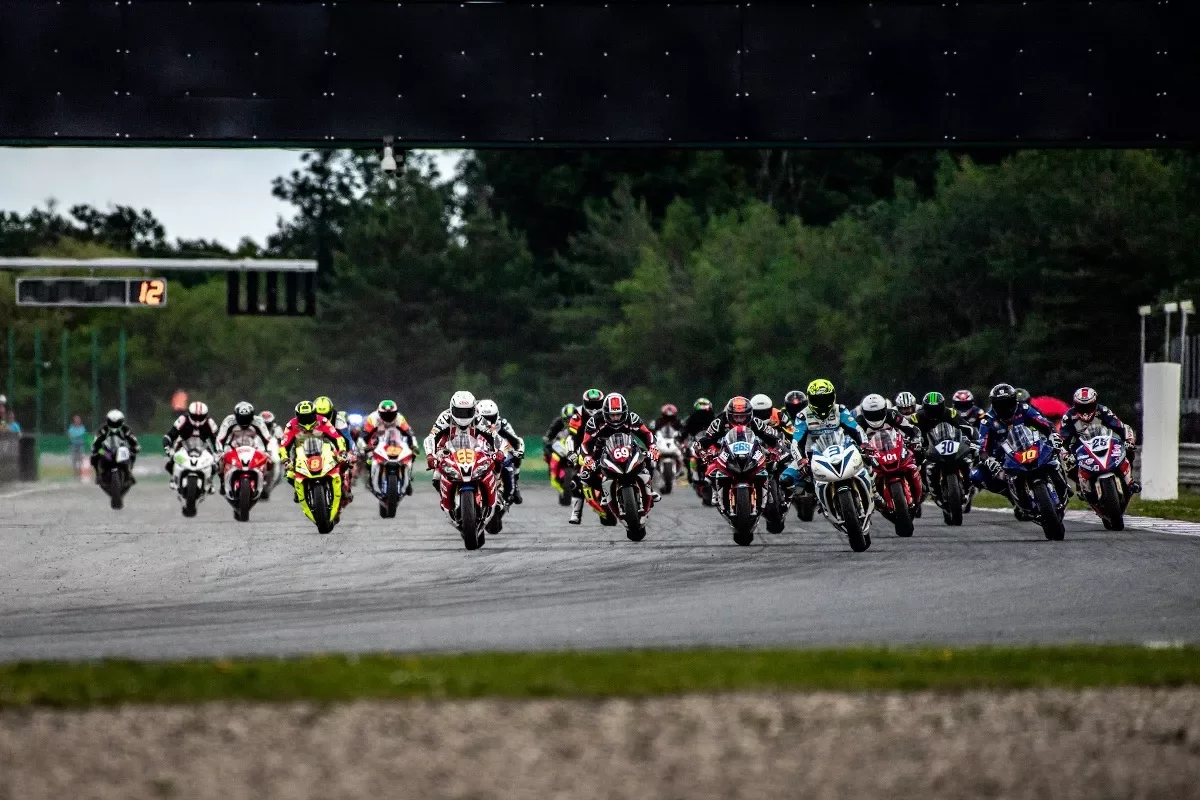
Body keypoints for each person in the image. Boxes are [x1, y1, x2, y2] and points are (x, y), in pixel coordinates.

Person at [572, 392, 658, 524]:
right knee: (585, 476)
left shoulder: (632, 418)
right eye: (612, 415)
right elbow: (586, 444)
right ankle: (604, 493)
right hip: (601, 451)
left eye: (619, 414)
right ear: (605, 413)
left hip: (630, 447)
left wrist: (652, 447)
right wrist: (588, 459)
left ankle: (649, 488)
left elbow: (647, 434)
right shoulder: (594, 421)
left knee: (651, 460)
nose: (616, 418)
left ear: (625, 412)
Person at [971, 383, 1059, 507]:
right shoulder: (988, 419)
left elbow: (1045, 423)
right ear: (994, 405)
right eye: (1000, 404)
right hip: (1004, 456)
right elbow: (983, 448)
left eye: (1008, 403)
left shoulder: (1024, 408)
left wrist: (1053, 435)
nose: (1005, 408)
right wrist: (990, 461)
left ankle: (1061, 483)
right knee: (976, 475)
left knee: (1055, 453)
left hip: (1030, 445)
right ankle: (1010, 493)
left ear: (1014, 400)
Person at [781, 379, 867, 493]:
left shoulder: (840, 410)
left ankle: (874, 493)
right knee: (785, 479)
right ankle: (805, 496)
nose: (822, 404)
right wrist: (801, 460)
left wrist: (865, 444)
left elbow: (856, 429)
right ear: (809, 399)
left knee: (869, 460)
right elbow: (796, 442)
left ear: (833, 397)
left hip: (841, 450)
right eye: (817, 400)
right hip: (812, 455)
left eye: (826, 399)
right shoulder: (803, 416)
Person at [1057, 387, 1140, 493]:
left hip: (1105, 440)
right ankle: (1081, 487)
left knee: (1129, 449)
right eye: (1081, 407)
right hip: (1080, 446)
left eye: (1088, 406)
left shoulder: (1103, 410)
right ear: (1075, 404)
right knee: (1069, 464)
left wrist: (1129, 440)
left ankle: (1130, 480)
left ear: (1094, 403)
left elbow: (1121, 426)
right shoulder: (1068, 417)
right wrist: (1066, 454)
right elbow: (1062, 439)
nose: (1085, 410)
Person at [277, 400, 348, 502]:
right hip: (300, 454)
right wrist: (285, 459)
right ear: (297, 416)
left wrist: (342, 451)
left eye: (309, 416)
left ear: (314, 414)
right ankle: (298, 490)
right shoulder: (291, 425)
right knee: (289, 474)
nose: (306, 420)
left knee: (343, 462)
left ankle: (341, 485)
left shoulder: (323, 421)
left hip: (324, 450)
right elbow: (283, 445)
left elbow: (337, 437)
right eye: (303, 417)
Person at [476, 398, 525, 504]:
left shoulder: (502, 423)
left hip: (499, 450)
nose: (488, 422)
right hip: (477, 452)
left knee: (509, 461)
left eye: (491, 418)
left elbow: (517, 440)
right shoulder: (471, 423)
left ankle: (514, 485)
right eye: (484, 418)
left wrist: (517, 451)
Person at [163, 401, 219, 488]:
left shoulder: (210, 422)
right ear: (189, 414)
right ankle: (174, 478)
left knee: (215, 464)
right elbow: (170, 435)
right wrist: (168, 448)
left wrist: (217, 452)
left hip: (203, 448)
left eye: (200, 417)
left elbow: (215, 440)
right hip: (183, 446)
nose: (197, 421)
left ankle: (209, 481)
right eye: (195, 417)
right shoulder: (183, 420)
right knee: (171, 461)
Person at [90, 409, 140, 483]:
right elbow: (96, 441)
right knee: (94, 456)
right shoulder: (103, 430)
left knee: (132, 454)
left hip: (122, 450)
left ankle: (129, 472)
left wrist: (135, 447)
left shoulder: (126, 430)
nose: (114, 425)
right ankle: (98, 473)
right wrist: (95, 448)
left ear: (121, 421)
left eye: (117, 423)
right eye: (112, 423)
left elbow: (133, 440)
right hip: (106, 451)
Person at [855, 393, 921, 449]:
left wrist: (916, 439)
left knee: (918, 452)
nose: (875, 417)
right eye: (870, 414)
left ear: (885, 410)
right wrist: (860, 447)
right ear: (864, 412)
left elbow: (912, 428)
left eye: (878, 413)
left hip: (895, 448)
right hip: (871, 453)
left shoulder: (892, 414)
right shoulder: (859, 421)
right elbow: (852, 439)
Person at [680, 397, 716, 484]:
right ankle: (692, 474)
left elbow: (720, 428)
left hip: (711, 441)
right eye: (701, 405)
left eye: (704, 405)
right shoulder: (692, 418)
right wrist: (681, 438)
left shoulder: (714, 418)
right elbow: (685, 430)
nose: (703, 407)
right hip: (696, 441)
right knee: (689, 454)